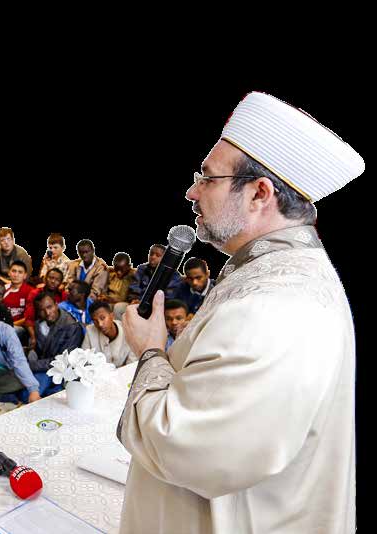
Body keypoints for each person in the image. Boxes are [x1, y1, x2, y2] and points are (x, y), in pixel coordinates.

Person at [116, 91, 361, 533]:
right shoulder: (272, 272)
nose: (191, 191)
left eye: (207, 178)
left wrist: (150, 352)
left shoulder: (276, 303)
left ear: (258, 194)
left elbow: (183, 446)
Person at [27, 293, 83, 397]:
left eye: (49, 307)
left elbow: (62, 361)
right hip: (42, 366)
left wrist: (31, 366)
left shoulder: (71, 327)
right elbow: (39, 351)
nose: (47, 313)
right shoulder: (39, 323)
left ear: (56, 305)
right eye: (42, 310)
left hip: (59, 370)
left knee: (29, 395)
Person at [117, 244, 183, 320]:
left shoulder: (173, 275)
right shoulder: (142, 269)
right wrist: (135, 299)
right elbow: (134, 287)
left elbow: (169, 296)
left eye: (157, 255)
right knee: (119, 308)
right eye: (151, 254)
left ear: (165, 258)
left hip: (159, 307)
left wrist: (152, 304)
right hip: (139, 303)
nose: (153, 257)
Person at [82, 301, 136, 367]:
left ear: (112, 316)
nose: (100, 324)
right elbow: (83, 359)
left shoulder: (129, 332)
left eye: (102, 318)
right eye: (95, 321)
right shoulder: (90, 331)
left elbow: (131, 365)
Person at [1, 261, 35, 346]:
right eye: (13, 271)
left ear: (25, 275)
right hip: (1, 325)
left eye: (20, 272)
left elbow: (28, 318)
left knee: (10, 331)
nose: (16, 275)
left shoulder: (31, 291)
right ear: (9, 273)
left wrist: (10, 325)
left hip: (20, 328)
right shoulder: (2, 289)